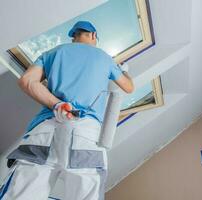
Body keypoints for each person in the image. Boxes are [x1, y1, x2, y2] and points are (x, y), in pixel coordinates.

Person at [1, 21, 134, 200]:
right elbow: (129, 87)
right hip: (86, 136)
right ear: (93, 35)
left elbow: (27, 81)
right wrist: (124, 71)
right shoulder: (104, 58)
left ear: (74, 36)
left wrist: (57, 104)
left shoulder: (53, 53)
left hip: (45, 131)